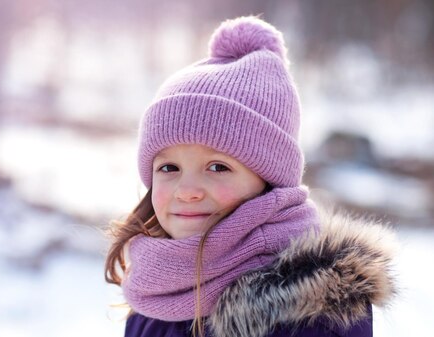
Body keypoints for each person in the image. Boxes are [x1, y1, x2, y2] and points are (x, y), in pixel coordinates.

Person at [104, 16, 396, 337]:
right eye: (169, 168)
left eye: (218, 167)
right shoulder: (152, 296)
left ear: (269, 181)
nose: (187, 190)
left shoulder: (311, 314)